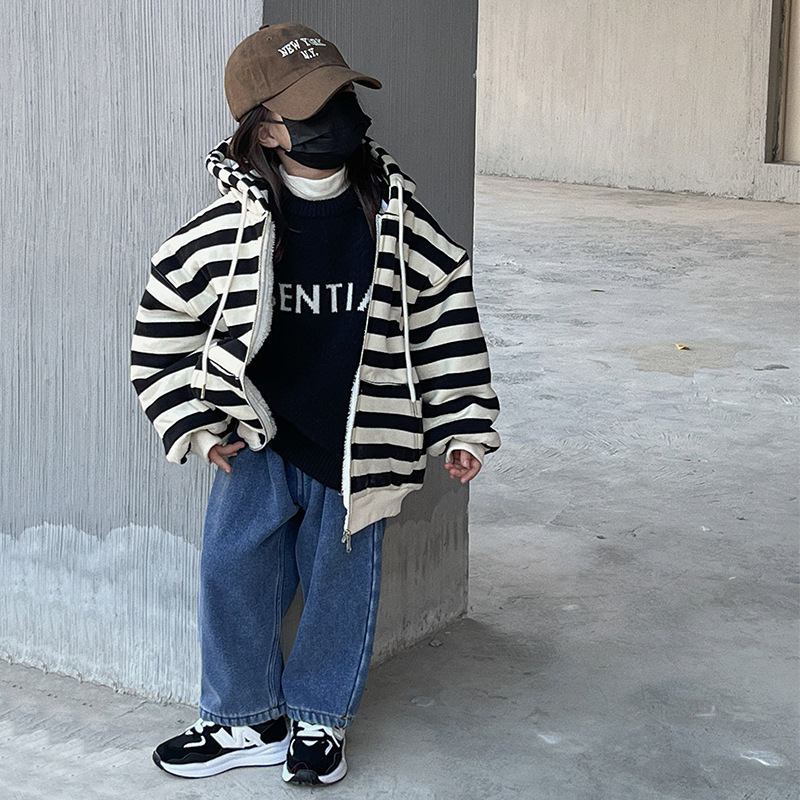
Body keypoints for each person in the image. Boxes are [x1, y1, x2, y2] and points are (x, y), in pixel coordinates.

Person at [130, 22, 500, 787]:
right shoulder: (225, 232)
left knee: (340, 591)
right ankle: (244, 719)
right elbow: (163, 327)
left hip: (358, 451)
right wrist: (194, 425)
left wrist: (463, 422)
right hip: (256, 444)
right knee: (232, 575)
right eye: (313, 107)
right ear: (267, 129)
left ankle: (318, 719)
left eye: (342, 98)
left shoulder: (393, 220)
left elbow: (443, 315)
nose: (339, 118)